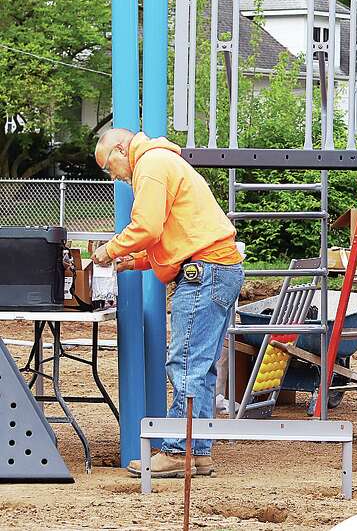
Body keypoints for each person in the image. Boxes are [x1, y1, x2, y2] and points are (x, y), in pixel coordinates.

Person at [91, 127, 244, 479]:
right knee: (201, 367)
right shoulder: (165, 162)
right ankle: (197, 451)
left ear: (120, 149)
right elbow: (178, 236)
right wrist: (136, 261)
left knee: (185, 362)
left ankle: (177, 450)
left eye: (108, 167)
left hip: (203, 272)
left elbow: (147, 228)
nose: (113, 176)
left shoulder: (151, 164)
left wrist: (111, 249)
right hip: (218, 267)